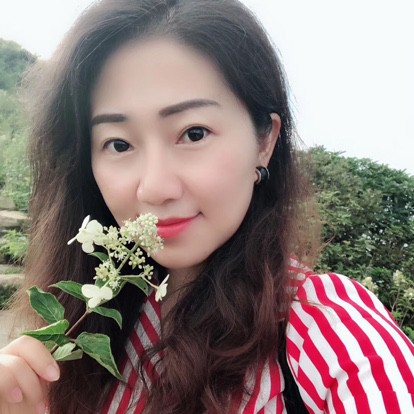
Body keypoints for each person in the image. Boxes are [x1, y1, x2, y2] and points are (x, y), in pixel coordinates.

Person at [0, 0, 413, 413]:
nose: (155, 188)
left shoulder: (331, 333)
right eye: (119, 144)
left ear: (265, 141)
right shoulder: (91, 322)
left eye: (194, 133)